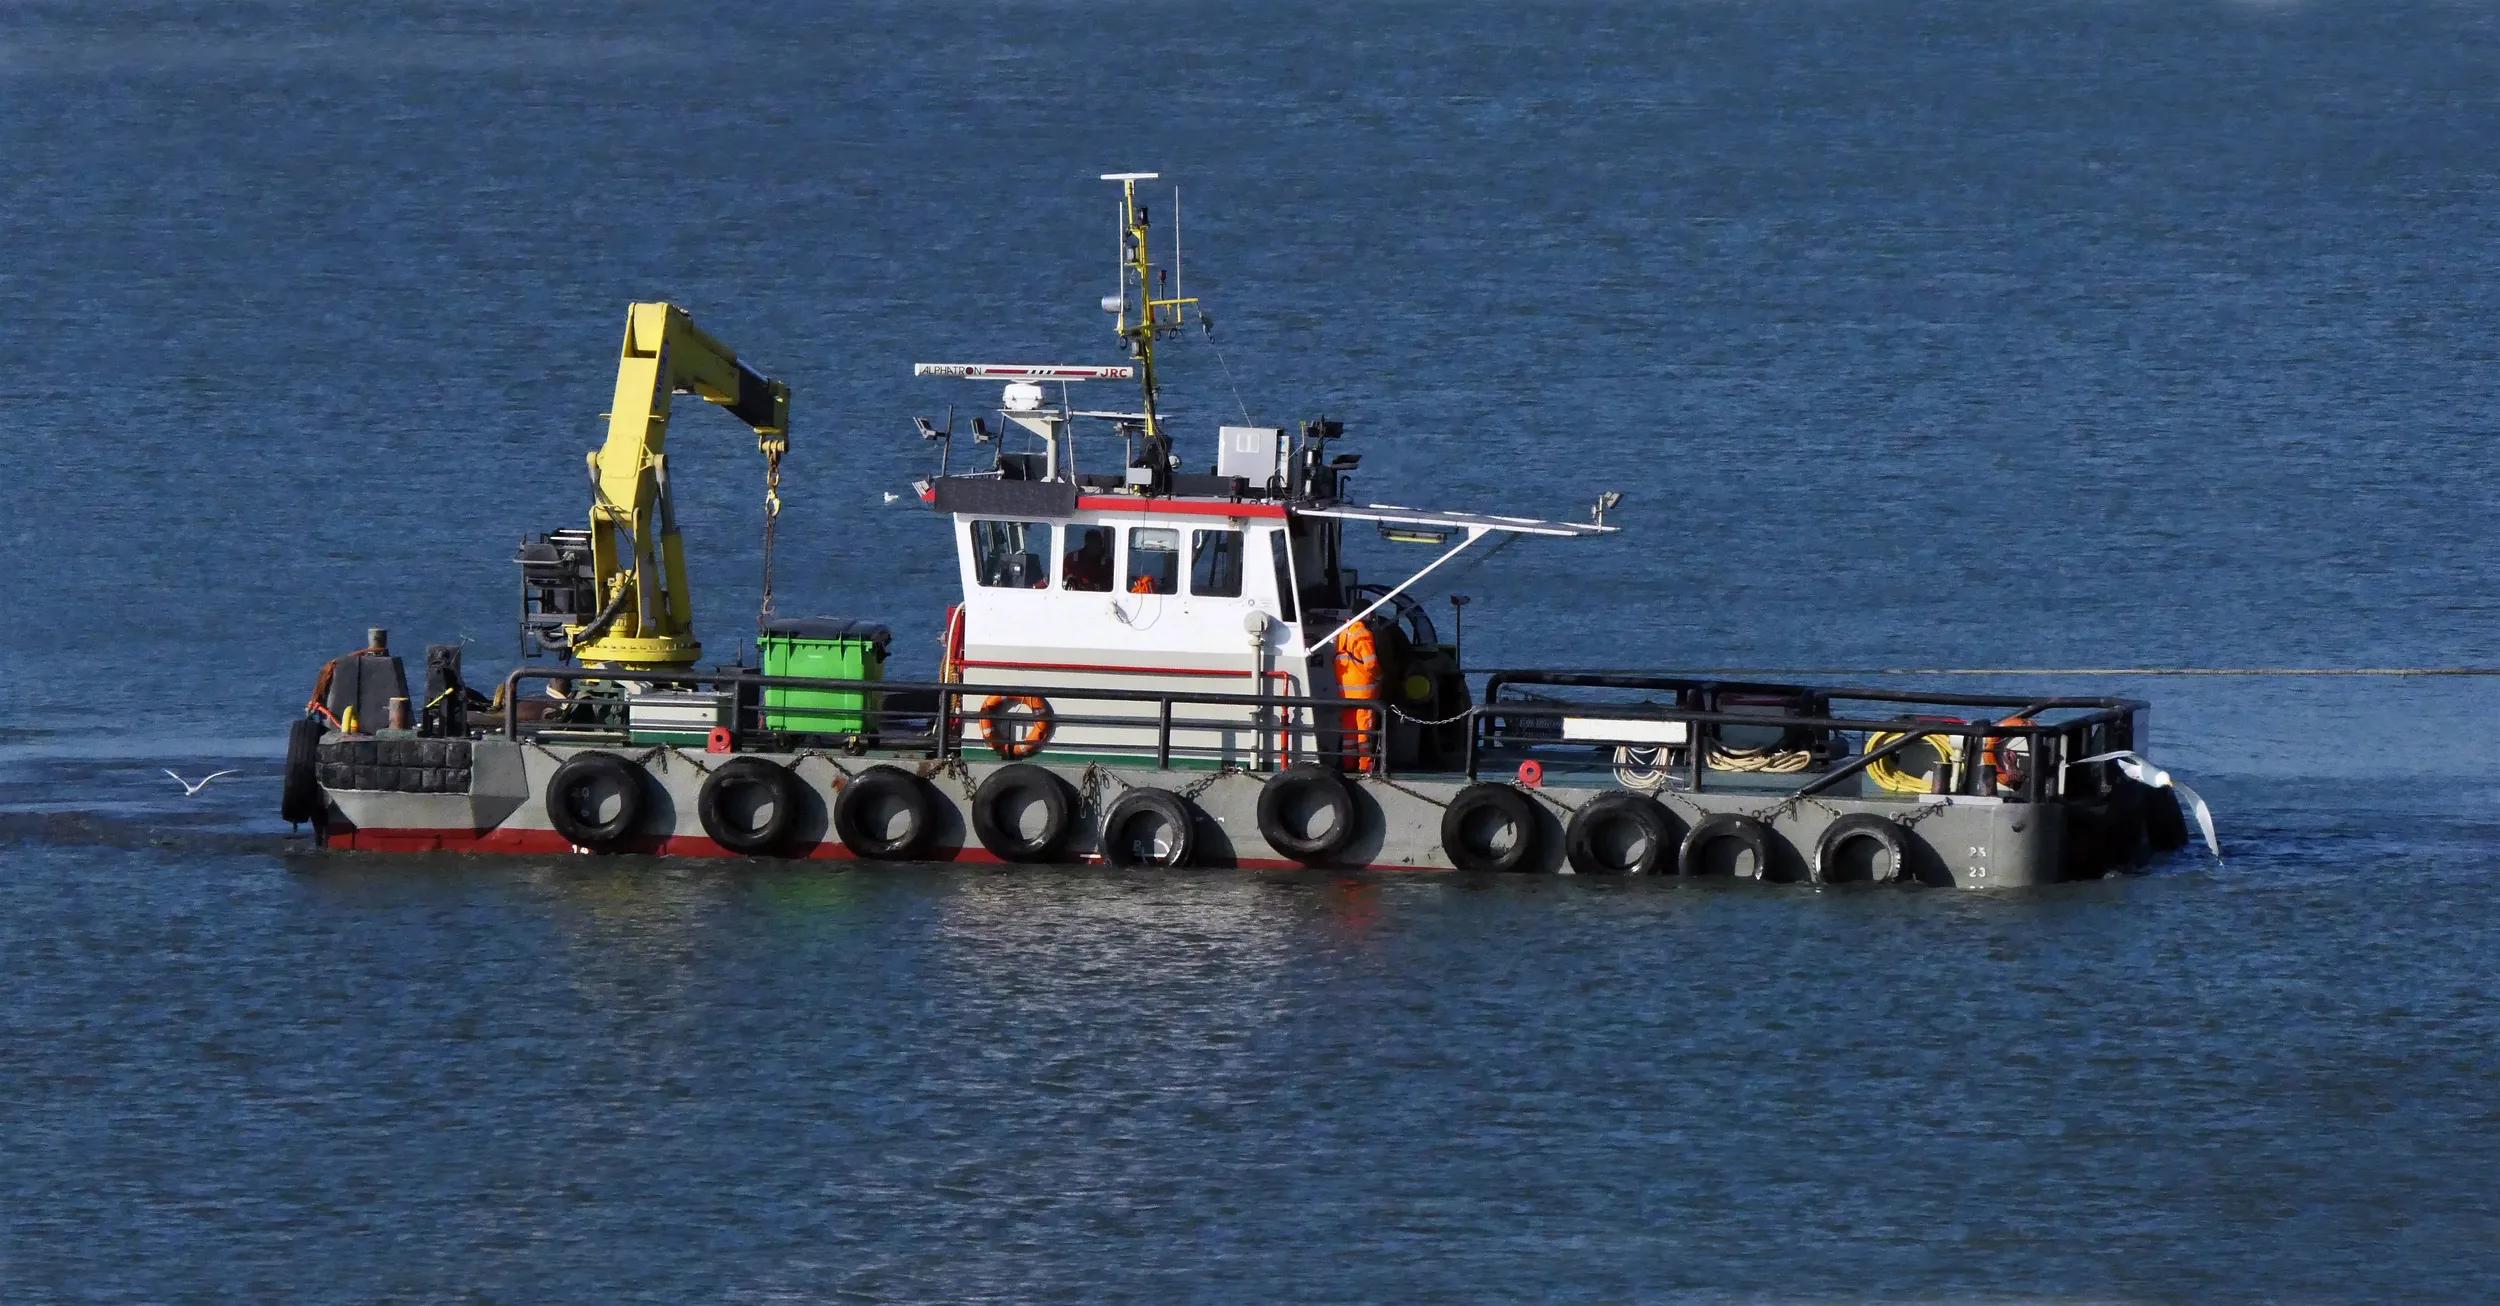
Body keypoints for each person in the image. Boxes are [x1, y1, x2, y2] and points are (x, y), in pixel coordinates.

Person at [1335, 617, 1381, 772]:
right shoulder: (1364, 634)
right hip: (1364, 693)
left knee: (1349, 732)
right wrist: (1380, 677)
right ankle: (1365, 766)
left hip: (1345, 692)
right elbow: (1371, 664)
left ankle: (1348, 764)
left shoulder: (1342, 633)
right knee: (1364, 731)